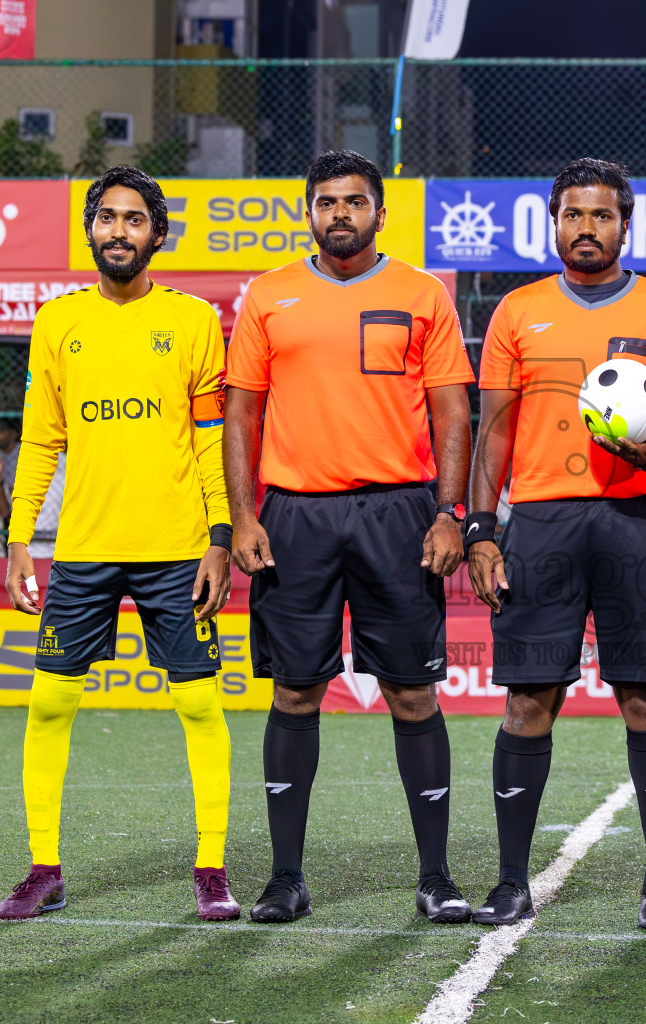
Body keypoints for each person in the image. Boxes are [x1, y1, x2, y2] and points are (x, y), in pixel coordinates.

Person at [223, 150, 476, 925]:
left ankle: (435, 876)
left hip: (399, 513)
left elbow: (453, 412)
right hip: (296, 515)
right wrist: (242, 515)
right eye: (327, 201)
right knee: (295, 689)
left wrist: (450, 512)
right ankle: (285, 878)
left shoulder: (421, 292)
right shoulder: (268, 297)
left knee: (411, 689)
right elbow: (240, 413)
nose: (340, 213)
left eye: (355, 202)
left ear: (379, 212)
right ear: (308, 211)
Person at [466, 158, 646, 930]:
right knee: (528, 699)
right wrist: (481, 529)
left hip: (636, 519)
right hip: (540, 521)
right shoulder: (517, 311)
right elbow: (494, 430)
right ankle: (511, 881)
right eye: (573, 214)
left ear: (624, 223)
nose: (586, 228)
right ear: (554, 222)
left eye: (601, 215)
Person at [0, 166, 239, 923]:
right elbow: (39, 444)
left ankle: (211, 868)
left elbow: (209, 443)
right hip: (84, 552)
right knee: (47, 705)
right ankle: (43, 867)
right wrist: (18, 541)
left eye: (136, 220)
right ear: (90, 229)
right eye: (108, 218)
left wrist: (220, 539)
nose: (120, 231)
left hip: (175, 549)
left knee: (200, 707)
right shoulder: (58, 323)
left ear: (157, 235)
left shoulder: (196, 321)